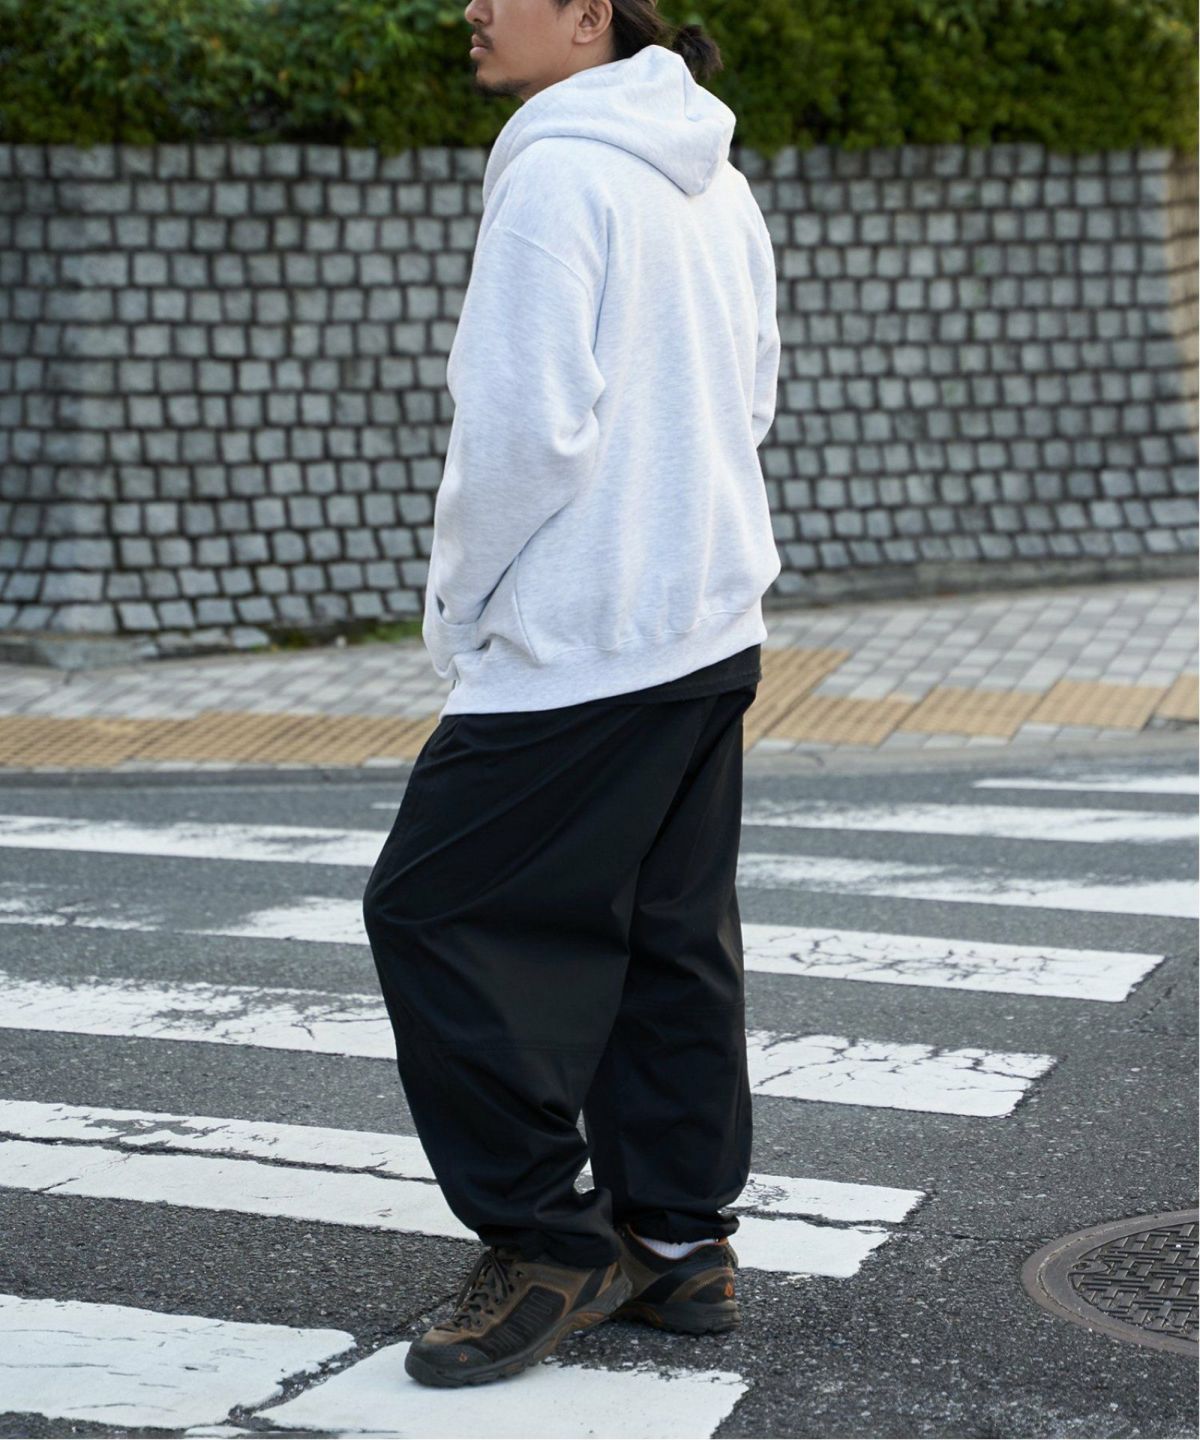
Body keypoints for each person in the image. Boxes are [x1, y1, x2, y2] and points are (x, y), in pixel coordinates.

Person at [362, 0, 781, 1389]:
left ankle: (547, 1237)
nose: (470, 10)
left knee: (431, 909)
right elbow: (751, 398)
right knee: (667, 933)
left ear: (590, 13)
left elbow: (522, 432)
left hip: (582, 636)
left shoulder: (556, 170)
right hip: (707, 619)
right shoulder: (713, 174)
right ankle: (677, 1241)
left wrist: (463, 603)